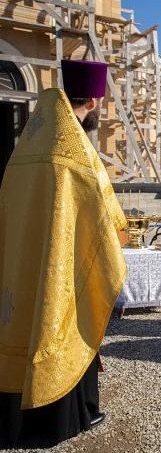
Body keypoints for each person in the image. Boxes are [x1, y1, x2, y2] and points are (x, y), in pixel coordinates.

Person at [0, 60, 127, 448]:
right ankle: (65, 417)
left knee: (19, 324)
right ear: (92, 100)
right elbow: (105, 214)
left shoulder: (27, 146)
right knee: (63, 318)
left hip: (20, 259)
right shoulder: (77, 153)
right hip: (63, 261)